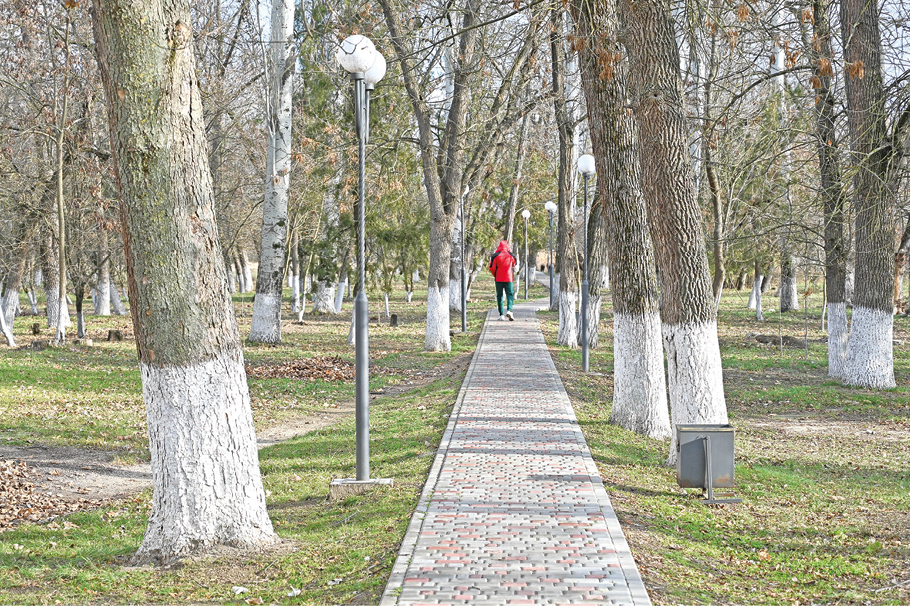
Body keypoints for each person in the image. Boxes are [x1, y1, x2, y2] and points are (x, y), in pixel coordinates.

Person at [489, 239, 517, 321]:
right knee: (510, 295)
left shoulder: (495, 256)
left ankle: (501, 314)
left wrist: (495, 275)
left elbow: (492, 268)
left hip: (499, 279)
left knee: (499, 296)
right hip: (509, 278)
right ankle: (509, 310)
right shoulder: (511, 255)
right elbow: (514, 265)